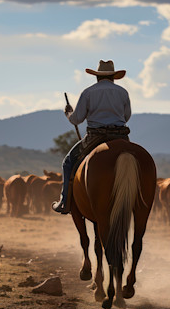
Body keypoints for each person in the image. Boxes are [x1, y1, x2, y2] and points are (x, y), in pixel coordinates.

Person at [52, 60, 132, 214]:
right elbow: (126, 116)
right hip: (121, 135)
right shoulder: (123, 92)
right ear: (114, 77)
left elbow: (76, 119)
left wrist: (68, 112)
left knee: (68, 163)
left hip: (96, 136)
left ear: (97, 77)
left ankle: (64, 201)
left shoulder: (88, 92)